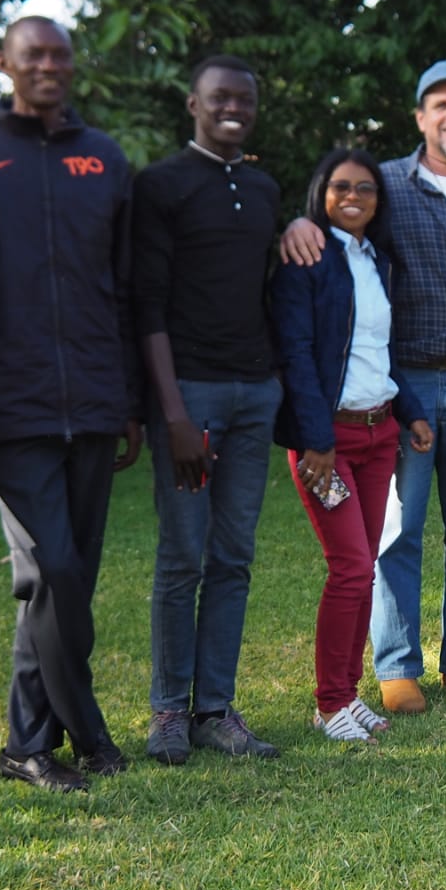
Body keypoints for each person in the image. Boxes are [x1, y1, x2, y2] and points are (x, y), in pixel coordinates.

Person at [280, 59, 446, 713]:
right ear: (421, 117)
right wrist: (295, 223)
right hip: (404, 380)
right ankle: (397, 667)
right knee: (397, 529)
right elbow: (332, 217)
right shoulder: (385, 183)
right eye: (441, 104)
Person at [0, 16, 142, 791]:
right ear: (4, 62)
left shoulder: (103, 156)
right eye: (33, 54)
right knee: (53, 568)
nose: (48, 65)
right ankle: (86, 730)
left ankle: (26, 744)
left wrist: (130, 399)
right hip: (8, 401)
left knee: (64, 579)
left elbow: (125, 284)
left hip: (94, 396)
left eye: (59, 54)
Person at [133, 56, 284, 765]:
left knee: (233, 557)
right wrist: (171, 415)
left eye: (244, 100)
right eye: (220, 97)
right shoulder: (161, 184)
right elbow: (147, 305)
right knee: (181, 556)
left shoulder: (261, 188)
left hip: (254, 394)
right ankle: (168, 709)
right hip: (188, 394)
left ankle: (215, 710)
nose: (233, 109)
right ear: (193, 103)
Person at [271, 149, 435, 743]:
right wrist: (314, 440)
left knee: (363, 570)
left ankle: (347, 693)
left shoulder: (378, 262)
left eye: (365, 188)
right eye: (340, 186)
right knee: (350, 568)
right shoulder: (306, 260)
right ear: (322, 193)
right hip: (327, 442)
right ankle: (330, 701)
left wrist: (411, 412)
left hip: (379, 434)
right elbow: (295, 356)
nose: (353, 197)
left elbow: (380, 353)